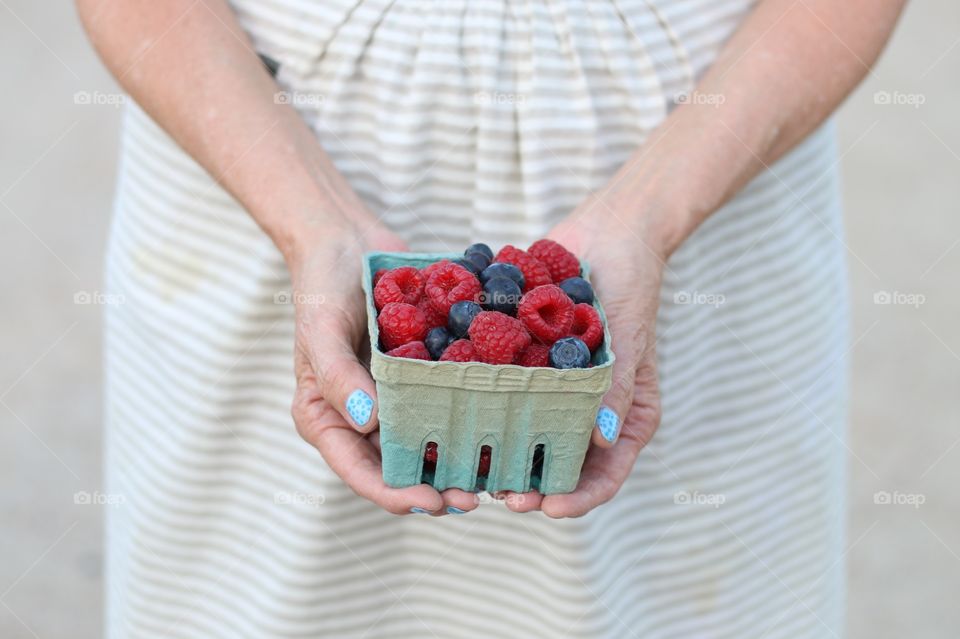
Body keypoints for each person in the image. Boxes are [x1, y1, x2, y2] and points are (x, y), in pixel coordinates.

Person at [78, 0, 904, 636]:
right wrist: (308, 217)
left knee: (683, 594)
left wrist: (650, 217)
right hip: (253, 137)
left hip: (713, 146)